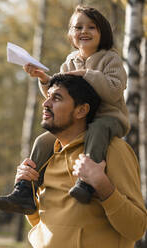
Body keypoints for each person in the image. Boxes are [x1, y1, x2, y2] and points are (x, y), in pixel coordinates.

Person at [0, 5, 129, 214]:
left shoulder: (110, 59)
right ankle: (25, 190)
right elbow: (60, 96)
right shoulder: (70, 61)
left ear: (102, 32)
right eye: (78, 27)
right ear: (70, 34)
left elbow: (113, 91)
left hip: (108, 118)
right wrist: (44, 79)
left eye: (91, 27)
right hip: (78, 122)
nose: (84, 31)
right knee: (43, 140)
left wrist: (86, 74)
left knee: (98, 129)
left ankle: (87, 182)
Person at [19, 74, 146, 247]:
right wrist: (29, 192)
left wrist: (103, 186)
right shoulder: (47, 154)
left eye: (56, 98)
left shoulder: (113, 150)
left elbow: (137, 229)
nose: (46, 103)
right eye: (48, 97)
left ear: (81, 110)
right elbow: (49, 225)